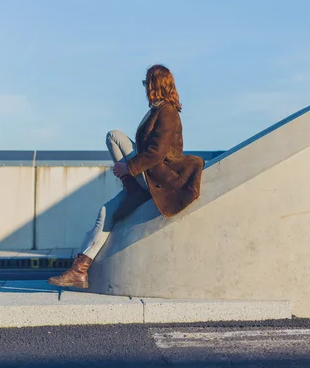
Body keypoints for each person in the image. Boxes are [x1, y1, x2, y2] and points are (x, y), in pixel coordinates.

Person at [48, 64, 204, 289]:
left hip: (160, 179)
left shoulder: (167, 112)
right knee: (106, 212)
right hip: (146, 178)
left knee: (114, 136)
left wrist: (128, 168)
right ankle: (79, 271)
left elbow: (156, 154)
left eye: (146, 83)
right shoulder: (157, 110)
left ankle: (133, 187)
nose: (144, 88)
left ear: (154, 84)